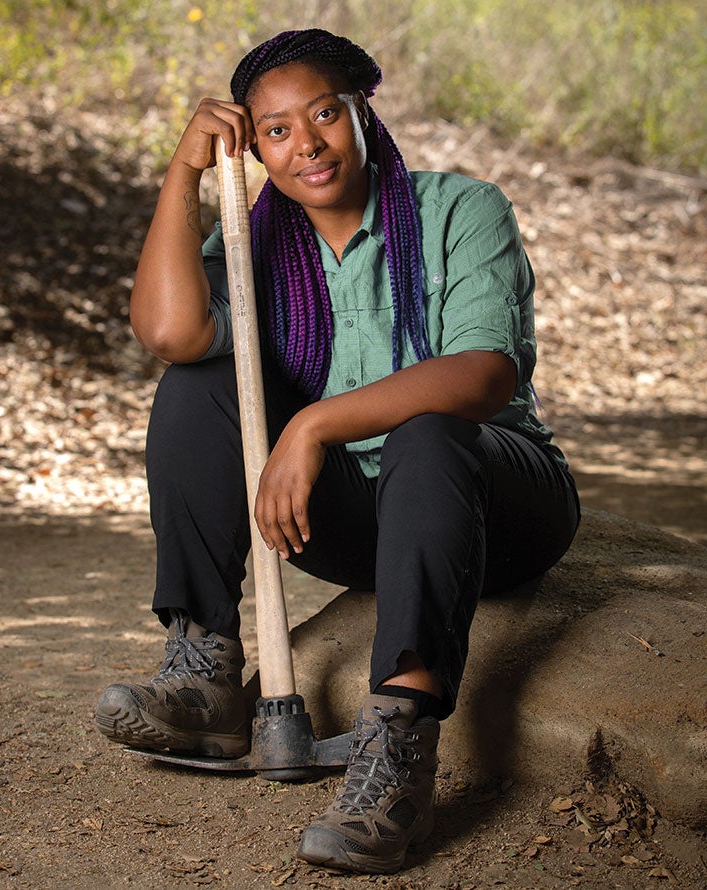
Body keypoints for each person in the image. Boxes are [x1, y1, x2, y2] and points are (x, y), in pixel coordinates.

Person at [95, 29, 580, 874]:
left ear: (363, 109)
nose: (305, 143)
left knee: (427, 432)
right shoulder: (259, 245)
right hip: (367, 521)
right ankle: (205, 670)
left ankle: (395, 746)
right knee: (196, 384)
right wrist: (185, 176)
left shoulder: (459, 209)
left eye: (323, 113)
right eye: (274, 129)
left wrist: (312, 425)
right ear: (256, 147)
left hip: (497, 502)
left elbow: (482, 374)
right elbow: (172, 332)